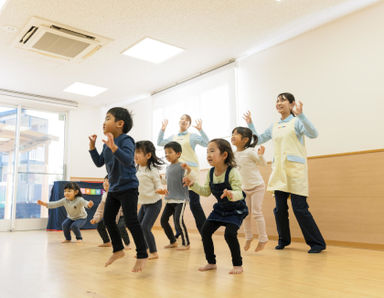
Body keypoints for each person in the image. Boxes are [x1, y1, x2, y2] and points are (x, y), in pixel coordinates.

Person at [244, 92, 326, 253]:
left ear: (291, 104)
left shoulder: (297, 122)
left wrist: (302, 116)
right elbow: (258, 140)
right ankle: (284, 240)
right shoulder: (274, 126)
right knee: (279, 209)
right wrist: (251, 125)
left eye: (283, 100)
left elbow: (313, 134)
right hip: (279, 172)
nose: (279, 103)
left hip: (295, 172)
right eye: (277, 101)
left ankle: (317, 243)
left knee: (300, 209)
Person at [89, 107, 148, 271]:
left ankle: (142, 255)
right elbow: (100, 162)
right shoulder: (108, 143)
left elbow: (129, 160)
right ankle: (118, 249)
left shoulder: (126, 140)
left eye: (108, 118)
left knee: (131, 221)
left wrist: (114, 147)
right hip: (114, 188)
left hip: (128, 186)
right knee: (107, 219)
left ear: (120, 123)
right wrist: (92, 147)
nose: (104, 122)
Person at [183, 139, 248, 274]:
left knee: (229, 234)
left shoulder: (232, 172)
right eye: (207, 151)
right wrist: (192, 185)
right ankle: (211, 262)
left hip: (235, 209)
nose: (208, 154)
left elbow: (240, 193)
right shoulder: (210, 173)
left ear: (224, 155)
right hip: (220, 209)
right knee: (205, 231)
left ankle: (238, 265)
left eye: (212, 151)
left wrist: (231, 193)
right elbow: (206, 192)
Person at [157, 114, 208, 235]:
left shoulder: (192, 136)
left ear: (189, 124)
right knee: (176, 204)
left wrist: (200, 129)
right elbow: (159, 142)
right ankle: (179, 231)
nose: (184, 121)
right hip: (176, 175)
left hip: (190, 173)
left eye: (187, 120)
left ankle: (205, 232)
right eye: (182, 119)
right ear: (179, 121)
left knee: (195, 205)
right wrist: (162, 129)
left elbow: (206, 143)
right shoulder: (173, 137)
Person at [231, 127, 268, 252]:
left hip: (257, 186)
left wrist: (261, 155)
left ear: (245, 139)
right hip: (244, 189)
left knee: (257, 213)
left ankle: (263, 239)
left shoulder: (250, 152)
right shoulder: (233, 154)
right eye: (232, 134)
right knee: (245, 215)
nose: (233, 136)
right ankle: (248, 237)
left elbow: (263, 164)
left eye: (236, 134)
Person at [158, 141, 190, 250]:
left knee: (178, 221)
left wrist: (188, 172)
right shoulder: (167, 168)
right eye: (165, 153)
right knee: (163, 220)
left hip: (180, 200)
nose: (167, 155)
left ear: (178, 154)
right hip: (170, 200)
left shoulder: (182, 166)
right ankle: (173, 241)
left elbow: (189, 175)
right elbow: (165, 181)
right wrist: (159, 178)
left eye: (170, 152)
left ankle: (186, 244)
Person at [135, 140, 164, 259]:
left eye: (138, 152)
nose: (135, 155)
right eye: (134, 152)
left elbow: (158, 183)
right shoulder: (137, 169)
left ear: (148, 155)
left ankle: (154, 252)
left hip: (154, 203)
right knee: (138, 226)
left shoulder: (152, 169)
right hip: (144, 204)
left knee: (145, 227)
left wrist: (160, 190)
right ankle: (144, 250)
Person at [90, 175, 130, 249]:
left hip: (123, 216)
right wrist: (95, 218)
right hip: (113, 216)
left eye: (107, 184)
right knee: (100, 226)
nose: (105, 186)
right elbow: (100, 209)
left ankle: (127, 244)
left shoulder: (121, 194)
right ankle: (107, 242)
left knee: (120, 226)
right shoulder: (105, 196)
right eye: (104, 184)